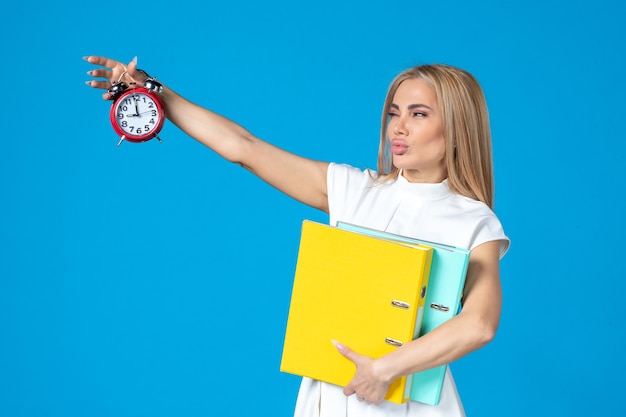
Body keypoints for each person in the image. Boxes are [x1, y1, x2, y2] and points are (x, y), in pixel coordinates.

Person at [84, 55, 510, 417]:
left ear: (455, 126)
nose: (398, 127)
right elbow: (243, 147)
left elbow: (480, 324)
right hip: (330, 396)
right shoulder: (352, 189)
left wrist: (384, 369)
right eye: (393, 113)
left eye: (418, 114)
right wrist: (154, 90)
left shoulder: (473, 222)